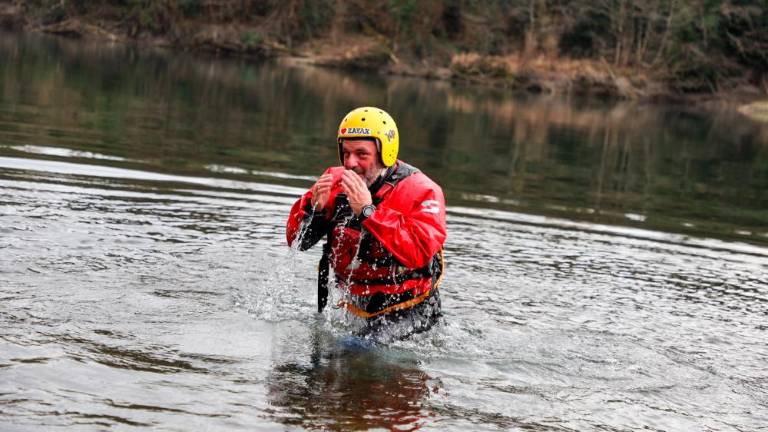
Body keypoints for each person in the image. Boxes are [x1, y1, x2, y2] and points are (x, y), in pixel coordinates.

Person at [286, 107, 446, 339]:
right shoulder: (334, 181)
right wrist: (315, 211)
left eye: (362, 154)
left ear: (385, 154)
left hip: (409, 308)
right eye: (346, 153)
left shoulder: (423, 191)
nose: (351, 163)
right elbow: (296, 242)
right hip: (352, 304)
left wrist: (368, 213)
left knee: (359, 349)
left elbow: (417, 253)